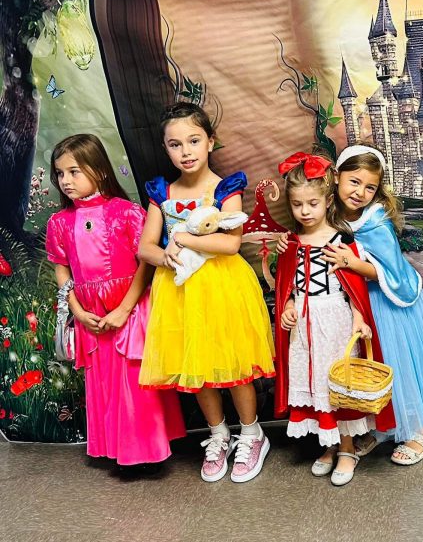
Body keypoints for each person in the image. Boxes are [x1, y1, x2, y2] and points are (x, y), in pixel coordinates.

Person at [277, 143, 423, 464]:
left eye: (370, 187)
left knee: (395, 367)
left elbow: (388, 271)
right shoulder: (326, 209)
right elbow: (308, 241)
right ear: (337, 177)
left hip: (387, 305)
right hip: (352, 305)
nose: (360, 192)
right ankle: (380, 429)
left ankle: (418, 432)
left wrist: (352, 263)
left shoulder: (375, 221)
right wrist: (287, 241)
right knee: (365, 370)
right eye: (354, 181)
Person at [138, 102, 275, 483]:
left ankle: (252, 433)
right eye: (175, 144)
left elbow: (230, 243)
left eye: (194, 141)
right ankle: (218, 434)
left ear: (210, 142)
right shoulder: (161, 192)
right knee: (197, 366)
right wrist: (165, 255)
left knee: (235, 366)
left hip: (222, 286)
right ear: (165, 148)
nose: (186, 151)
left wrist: (182, 238)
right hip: (179, 290)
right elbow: (145, 247)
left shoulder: (225, 188)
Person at [45, 134, 185, 470]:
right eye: (60, 173)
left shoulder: (126, 212)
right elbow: (61, 269)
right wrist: (78, 311)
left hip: (130, 309)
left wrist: (124, 309)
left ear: (100, 170)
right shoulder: (59, 222)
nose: (65, 180)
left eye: (74, 171)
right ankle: (116, 448)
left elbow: (146, 263)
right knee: (105, 383)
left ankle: (146, 452)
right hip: (91, 316)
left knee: (134, 382)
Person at [273, 151, 395, 486]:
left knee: (337, 385)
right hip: (304, 326)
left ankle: (347, 449)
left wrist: (359, 318)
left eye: (312, 204)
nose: (305, 211)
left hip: (335, 321)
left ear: (327, 202)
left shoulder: (341, 241)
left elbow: (352, 288)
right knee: (315, 384)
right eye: (297, 205)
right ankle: (327, 446)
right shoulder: (292, 243)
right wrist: (287, 307)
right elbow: (286, 287)